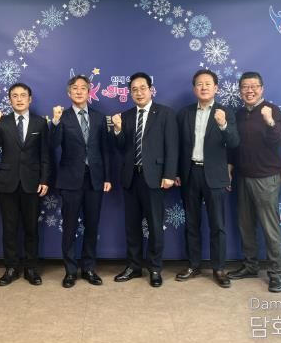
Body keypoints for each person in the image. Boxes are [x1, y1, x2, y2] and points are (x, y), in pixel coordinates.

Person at [111, 72, 178, 287]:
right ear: (130, 93)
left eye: (142, 88)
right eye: (134, 90)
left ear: (151, 90)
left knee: (155, 226)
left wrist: (169, 174)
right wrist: (118, 130)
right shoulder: (126, 116)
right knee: (132, 226)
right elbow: (121, 147)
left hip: (155, 178)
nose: (139, 93)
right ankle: (134, 266)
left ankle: (155, 268)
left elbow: (172, 146)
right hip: (131, 178)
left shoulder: (165, 114)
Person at [175, 70, 239, 288]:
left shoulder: (225, 112)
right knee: (192, 223)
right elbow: (177, 146)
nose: (203, 87)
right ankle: (193, 265)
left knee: (217, 225)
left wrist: (223, 125)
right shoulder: (184, 113)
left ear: (216, 88)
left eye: (208, 84)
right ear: (194, 89)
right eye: (199, 84)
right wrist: (176, 172)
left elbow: (234, 142)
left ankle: (219, 268)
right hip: (190, 173)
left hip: (215, 175)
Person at [227, 72, 281, 293]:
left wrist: (269, 121)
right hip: (242, 176)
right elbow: (233, 145)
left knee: (270, 227)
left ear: (262, 89)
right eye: (245, 86)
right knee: (245, 225)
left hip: (266, 178)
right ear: (240, 90)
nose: (249, 90)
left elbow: (277, 139)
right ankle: (250, 266)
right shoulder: (239, 114)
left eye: (254, 86)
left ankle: (276, 273)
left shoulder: (272, 110)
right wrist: (230, 167)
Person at [50, 75, 111, 288]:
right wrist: (55, 122)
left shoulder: (99, 117)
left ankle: (89, 268)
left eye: (83, 88)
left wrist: (107, 177)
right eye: (74, 88)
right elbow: (53, 144)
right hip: (70, 180)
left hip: (95, 179)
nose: (79, 91)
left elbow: (105, 149)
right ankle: (70, 271)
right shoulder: (62, 116)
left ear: (89, 92)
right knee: (69, 227)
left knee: (92, 225)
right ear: (69, 93)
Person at [0, 83, 50, 286]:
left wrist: (44, 180)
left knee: (31, 228)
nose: (19, 99)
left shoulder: (40, 122)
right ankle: (11, 268)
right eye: (14, 96)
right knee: (9, 228)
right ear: (9, 100)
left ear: (30, 99)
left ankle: (31, 268)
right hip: (7, 182)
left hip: (32, 183)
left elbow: (45, 154)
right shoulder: (2, 121)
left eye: (23, 95)